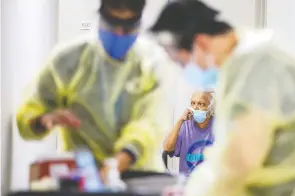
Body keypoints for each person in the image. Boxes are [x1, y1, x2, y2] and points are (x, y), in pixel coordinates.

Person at [150, 0, 295, 196]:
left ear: (201, 43)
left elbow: (239, 159)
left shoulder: (256, 68)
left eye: (183, 63)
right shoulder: (257, 61)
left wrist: (194, 192)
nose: (188, 72)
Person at [16, 0, 176, 173]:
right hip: (81, 175)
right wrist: (44, 120)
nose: (119, 34)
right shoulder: (68, 61)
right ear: (100, 18)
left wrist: (116, 165)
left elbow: (148, 125)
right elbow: (31, 111)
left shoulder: (151, 64)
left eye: (128, 27)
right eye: (112, 24)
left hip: (136, 175)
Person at [163, 91, 215, 176]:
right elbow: (167, 148)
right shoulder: (184, 125)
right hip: (186, 180)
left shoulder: (218, 126)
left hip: (209, 181)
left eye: (201, 104)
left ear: (210, 108)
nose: (195, 107)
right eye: (192, 103)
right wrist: (180, 120)